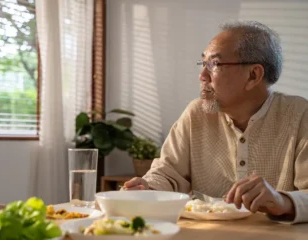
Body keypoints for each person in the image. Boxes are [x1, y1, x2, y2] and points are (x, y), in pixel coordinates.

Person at [123, 20, 308, 224]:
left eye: (214, 64)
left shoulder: (300, 116)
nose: (202, 76)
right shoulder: (195, 114)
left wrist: (283, 201)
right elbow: (168, 174)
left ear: (253, 75)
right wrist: (147, 188)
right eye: (203, 64)